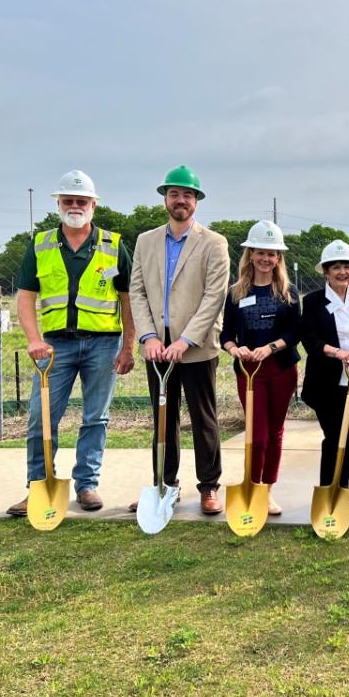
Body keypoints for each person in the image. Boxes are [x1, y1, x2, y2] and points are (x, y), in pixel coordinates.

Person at [7, 170, 135, 517]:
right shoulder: (41, 244)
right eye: (68, 201)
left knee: (96, 418)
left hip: (104, 345)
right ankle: (39, 485)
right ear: (58, 204)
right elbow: (25, 298)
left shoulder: (113, 245)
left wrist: (128, 346)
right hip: (54, 348)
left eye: (81, 201)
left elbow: (128, 299)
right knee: (41, 419)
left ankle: (87, 485)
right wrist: (33, 340)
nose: (75, 206)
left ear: (93, 205)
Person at [128, 165, 230, 516]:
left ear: (196, 201)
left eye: (187, 195)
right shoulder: (145, 241)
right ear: (165, 199)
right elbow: (137, 291)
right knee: (163, 418)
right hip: (158, 347)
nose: (180, 200)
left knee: (204, 419)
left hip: (196, 347)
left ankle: (209, 486)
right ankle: (164, 484)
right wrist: (148, 336)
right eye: (174, 194)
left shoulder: (214, 244)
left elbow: (214, 297)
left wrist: (185, 340)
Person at [219, 220, 301, 516]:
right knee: (257, 434)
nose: (266, 259)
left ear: (279, 258)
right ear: (250, 254)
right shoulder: (236, 293)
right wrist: (235, 349)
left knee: (275, 432)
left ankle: (266, 490)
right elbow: (225, 335)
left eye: (272, 254)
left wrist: (270, 348)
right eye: (260, 253)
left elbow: (295, 333)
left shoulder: (287, 293)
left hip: (280, 369)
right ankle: (251, 484)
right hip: (249, 372)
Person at [298, 239, 349, 508]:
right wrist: (336, 352)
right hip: (325, 383)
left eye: (347, 266)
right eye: (336, 267)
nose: (342, 272)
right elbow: (308, 339)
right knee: (334, 435)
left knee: (348, 436)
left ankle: (342, 487)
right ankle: (328, 489)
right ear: (325, 271)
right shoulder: (312, 301)